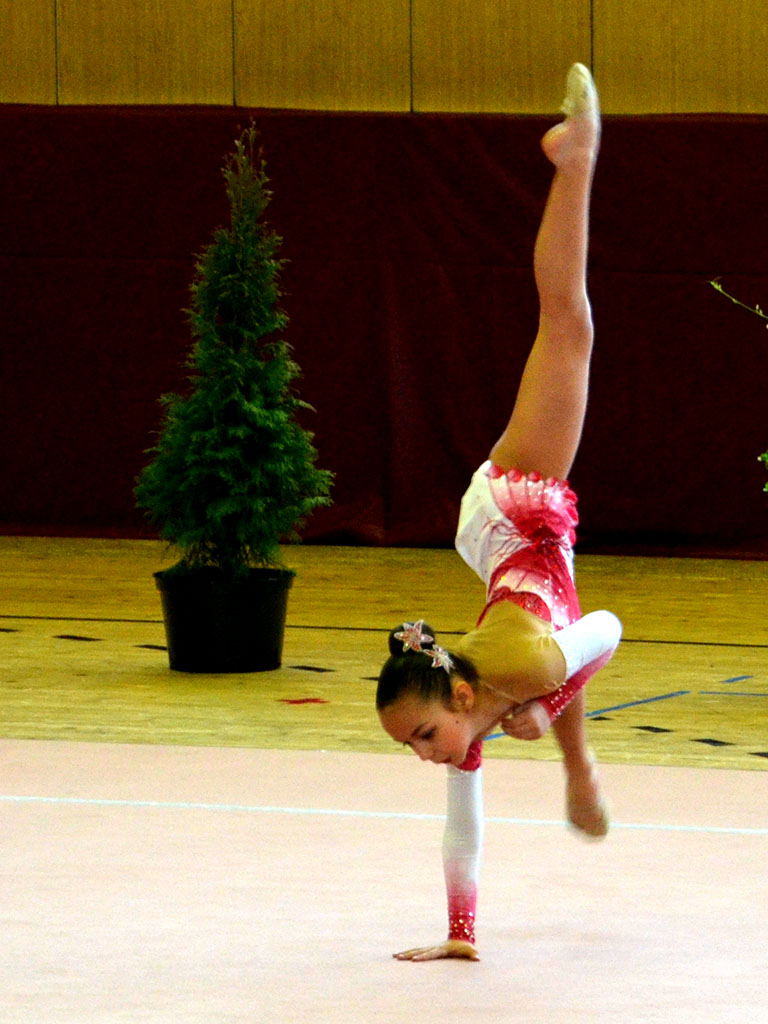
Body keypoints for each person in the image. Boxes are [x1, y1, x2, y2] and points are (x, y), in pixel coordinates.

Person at [376, 64, 622, 962]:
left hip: (516, 510)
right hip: (512, 560)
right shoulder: (471, 713)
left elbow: (607, 629)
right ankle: (579, 774)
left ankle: (574, 159)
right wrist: (458, 936)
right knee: (569, 326)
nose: (427, 754)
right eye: (414, 746)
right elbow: (462, 832)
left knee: (567, 323)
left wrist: (547, 701)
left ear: (461, 696)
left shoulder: (517, 667)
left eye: (424, 735)